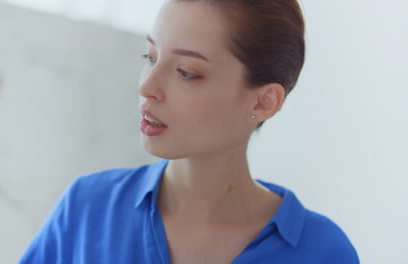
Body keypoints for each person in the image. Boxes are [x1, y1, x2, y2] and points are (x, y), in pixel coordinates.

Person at [19, 0, 359, 263]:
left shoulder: (323, 251)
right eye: (150, 57)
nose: (147, 87)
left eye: (186, 72)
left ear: (264, 102)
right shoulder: (87, 208)